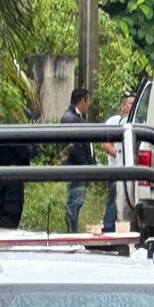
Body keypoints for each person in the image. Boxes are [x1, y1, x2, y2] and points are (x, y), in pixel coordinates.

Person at [99, 91, 135, 233]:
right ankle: (108, 228)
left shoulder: (138, 120)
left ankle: (135, 230)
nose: (133, 107)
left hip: (134, 168)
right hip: (116, 168)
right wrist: (119, 155)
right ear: (123, 105)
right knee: (113, 199)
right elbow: (104, 143)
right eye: (131, 104)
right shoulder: (113, 122)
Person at [61, 87, 94, 233]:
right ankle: (71, 232)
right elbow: (74, 147)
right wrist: (85, 165)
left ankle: (72, 230)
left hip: (79, 167)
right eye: (88, 101)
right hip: (76, 168)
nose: (89, 105)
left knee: (77, 201)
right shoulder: (71, 120)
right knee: (74, 201)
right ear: (82, 101)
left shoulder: (74, 118)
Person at [0, 134, 30, 229]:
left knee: (1, 217)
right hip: (14, 179)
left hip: (0, 177)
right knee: (10, 219)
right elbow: (27, 154)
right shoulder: (16, 137)